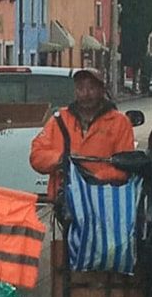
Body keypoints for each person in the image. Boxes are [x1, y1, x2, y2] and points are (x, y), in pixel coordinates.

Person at [29, 68, 136, 199]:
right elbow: (37, 156)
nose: (86, 94)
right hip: (65, 202)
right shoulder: (59, 119)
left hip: (105, 199)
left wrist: (93, 179)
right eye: (80, 88)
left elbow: (127, 166)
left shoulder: (119, 122)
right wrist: (61, 159)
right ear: (75, 91)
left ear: (102, 90)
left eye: (91, 88)